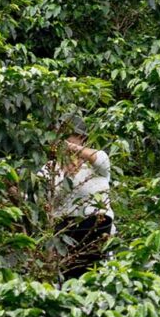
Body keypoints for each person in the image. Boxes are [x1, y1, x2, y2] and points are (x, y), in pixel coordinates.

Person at [44, 118, 115, 279]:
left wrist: (71, 149)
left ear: (82, 139)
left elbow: (102, 161)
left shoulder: (96, 162)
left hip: (96, 225)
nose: (64, 140)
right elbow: (34, 197)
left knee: (96, 275)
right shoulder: (51, 168)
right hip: (65, 229)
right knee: (67, 276)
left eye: (69, 135)